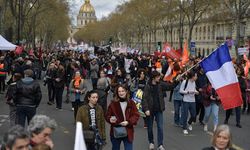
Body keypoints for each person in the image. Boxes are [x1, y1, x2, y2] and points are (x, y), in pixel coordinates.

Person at [142, 71, 178, 150]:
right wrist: (146, 109)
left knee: (160, 127)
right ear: (153, 77)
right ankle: (151, 142)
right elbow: (144, 99)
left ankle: (160, 144)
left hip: (159, 110)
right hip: (150, 110)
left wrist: (176, 81)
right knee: (150, 127)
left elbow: (170, 87)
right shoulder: (147, 86)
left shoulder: (160, 84)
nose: (159, 78)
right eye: (158, 77)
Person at [106, 84, 140, 150]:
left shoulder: (131, 103)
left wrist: (128, 122)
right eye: (119, 91)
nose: (121, 93)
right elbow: (107, 115)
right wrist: (110, 119)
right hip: (116, 131)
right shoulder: (113, 103)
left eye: (123, 91)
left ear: (126, 91)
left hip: (128, 130)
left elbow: (136, 115)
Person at [180, 71, 199, 135]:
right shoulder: (185, 82)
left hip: (193, 100)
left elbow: (194, 89)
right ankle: (184, 128)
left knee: (194, 115)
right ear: (192, 77)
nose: (197, 77)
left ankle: (189, 123)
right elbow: (181, 91)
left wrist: (196, 91)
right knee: (185, 115)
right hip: (186, 100)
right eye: (196, 76)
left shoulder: (194, 82)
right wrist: (188, 92)